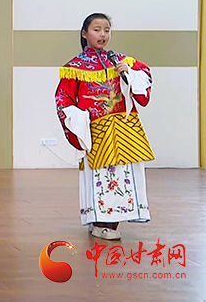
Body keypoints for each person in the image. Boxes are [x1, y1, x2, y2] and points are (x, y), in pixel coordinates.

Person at [55, 13, 154, 240]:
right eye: (97, 30)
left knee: (124, 175)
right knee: (101, 177)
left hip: (125, 129)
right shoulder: (75, 67)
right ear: (84, 33)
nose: (103, 35)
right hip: (97, 132)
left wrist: (128, 73)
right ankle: (100, 223)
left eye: (107, 30)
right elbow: (63, 99)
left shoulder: (121, 61)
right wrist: (79, 121)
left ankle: (113, 222)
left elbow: (144, 77)